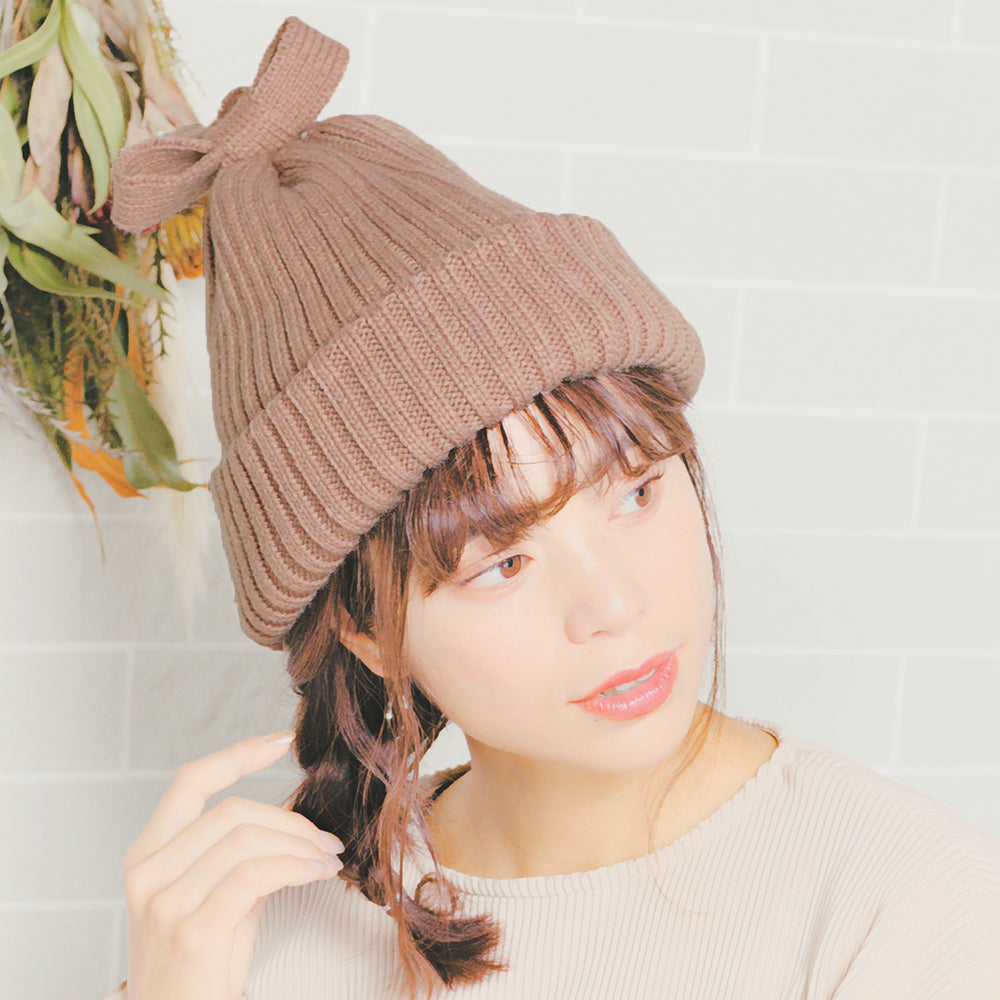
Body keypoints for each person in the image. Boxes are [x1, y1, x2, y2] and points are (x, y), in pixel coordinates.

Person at [104, 16, 1000, 1000]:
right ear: (362, 629)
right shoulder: (260, 924)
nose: (614, 605)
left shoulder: (906, 903)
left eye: (637, 491)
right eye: (503, 563)